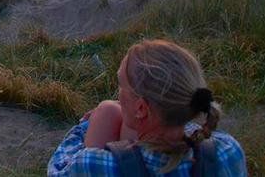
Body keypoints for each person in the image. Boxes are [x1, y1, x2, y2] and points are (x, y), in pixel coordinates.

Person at [48, 39, 246, 176]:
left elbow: (58, 166)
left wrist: (88, 124)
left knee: (107, 110)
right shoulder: (227, 152)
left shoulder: (95, 165)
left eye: (121, 85)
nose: (119, 94)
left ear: (141, 108)